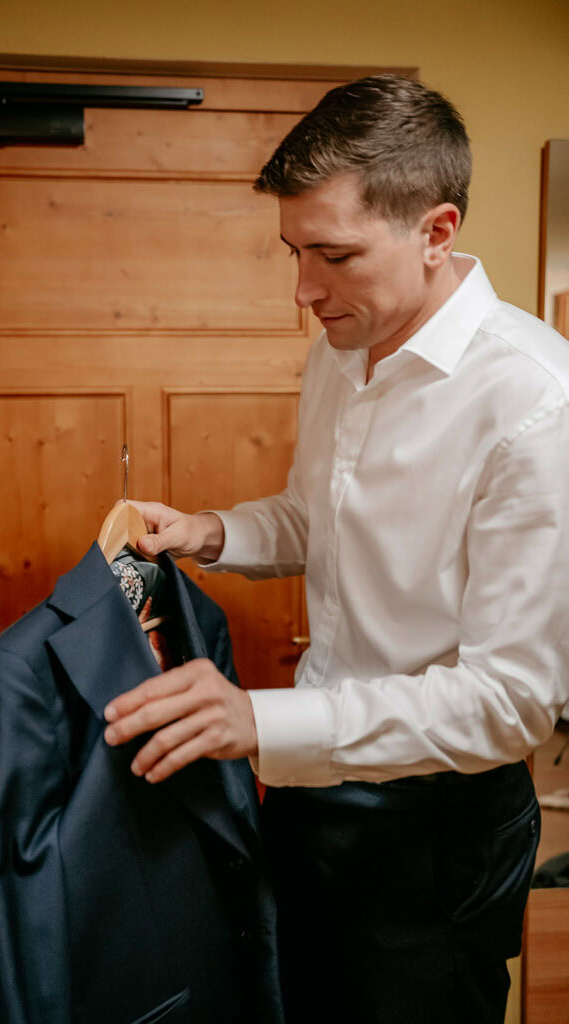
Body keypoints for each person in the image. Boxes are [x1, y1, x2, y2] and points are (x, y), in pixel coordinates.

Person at [103, 75, 569, 1023]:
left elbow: (512, 702)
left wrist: (258, 725)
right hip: (313, 785)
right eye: (293, 251)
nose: (304, 288)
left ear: (437, 232)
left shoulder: (538, 407)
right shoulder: (342, 342)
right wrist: (214, 532)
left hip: (437, 832)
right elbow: (322, 516)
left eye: (334, 254)